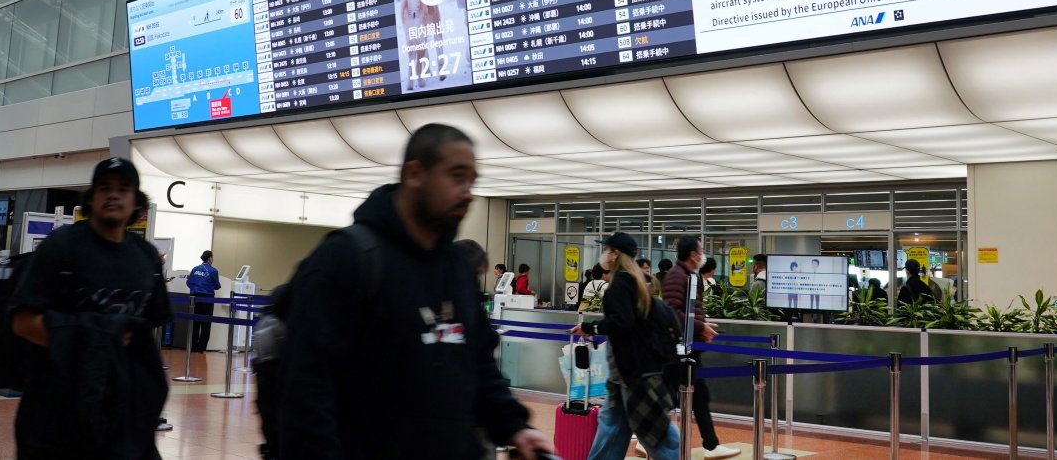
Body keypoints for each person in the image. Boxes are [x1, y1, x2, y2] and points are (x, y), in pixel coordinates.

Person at [277, 123, 552, 459]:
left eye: (472, 180)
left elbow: (478, 364)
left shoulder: (455, 268)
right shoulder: (346, 259)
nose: (468, 192)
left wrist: (515, 426)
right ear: (415, 173)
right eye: (456, 176)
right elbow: (305, 391)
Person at [10, 157, 170, 460]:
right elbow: (21, 322)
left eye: (123, 189)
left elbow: (145, 340)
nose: (113, 195)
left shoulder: (146, 258)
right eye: (104, 188)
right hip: (57, 409)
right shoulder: (61, 247)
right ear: (92, 198)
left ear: (136, 201)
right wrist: (97, 334)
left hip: (121, 417)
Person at [571, 232, 679, 460]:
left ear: (615, 254)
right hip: (631, 372)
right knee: (614, 428)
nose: (604, 254)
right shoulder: (638, 282)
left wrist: (591, 328)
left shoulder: (620, 284)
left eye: (607, 249)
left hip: (631, 373)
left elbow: (622, 322)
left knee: (659, 436)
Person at [662, 237, 739, 459]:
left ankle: (711, 445)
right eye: (701, 251)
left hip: (687, 347)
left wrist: (700, 327)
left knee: (697, 395)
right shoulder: (677, 276)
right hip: (678, 348)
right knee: (672, 397)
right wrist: (700, 326)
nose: (702, 255)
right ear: (694, 255)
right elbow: (672, 312)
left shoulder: (686, 276)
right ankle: (648, 434)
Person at [186, 249, 221, 352]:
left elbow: (188, 283)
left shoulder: (194, 269)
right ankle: (201, 348)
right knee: (206, 324)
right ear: (210, 258)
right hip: (207, 299)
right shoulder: (213, 271)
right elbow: (217, 286)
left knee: (195, 323)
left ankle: (192, 346)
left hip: (194, 298)